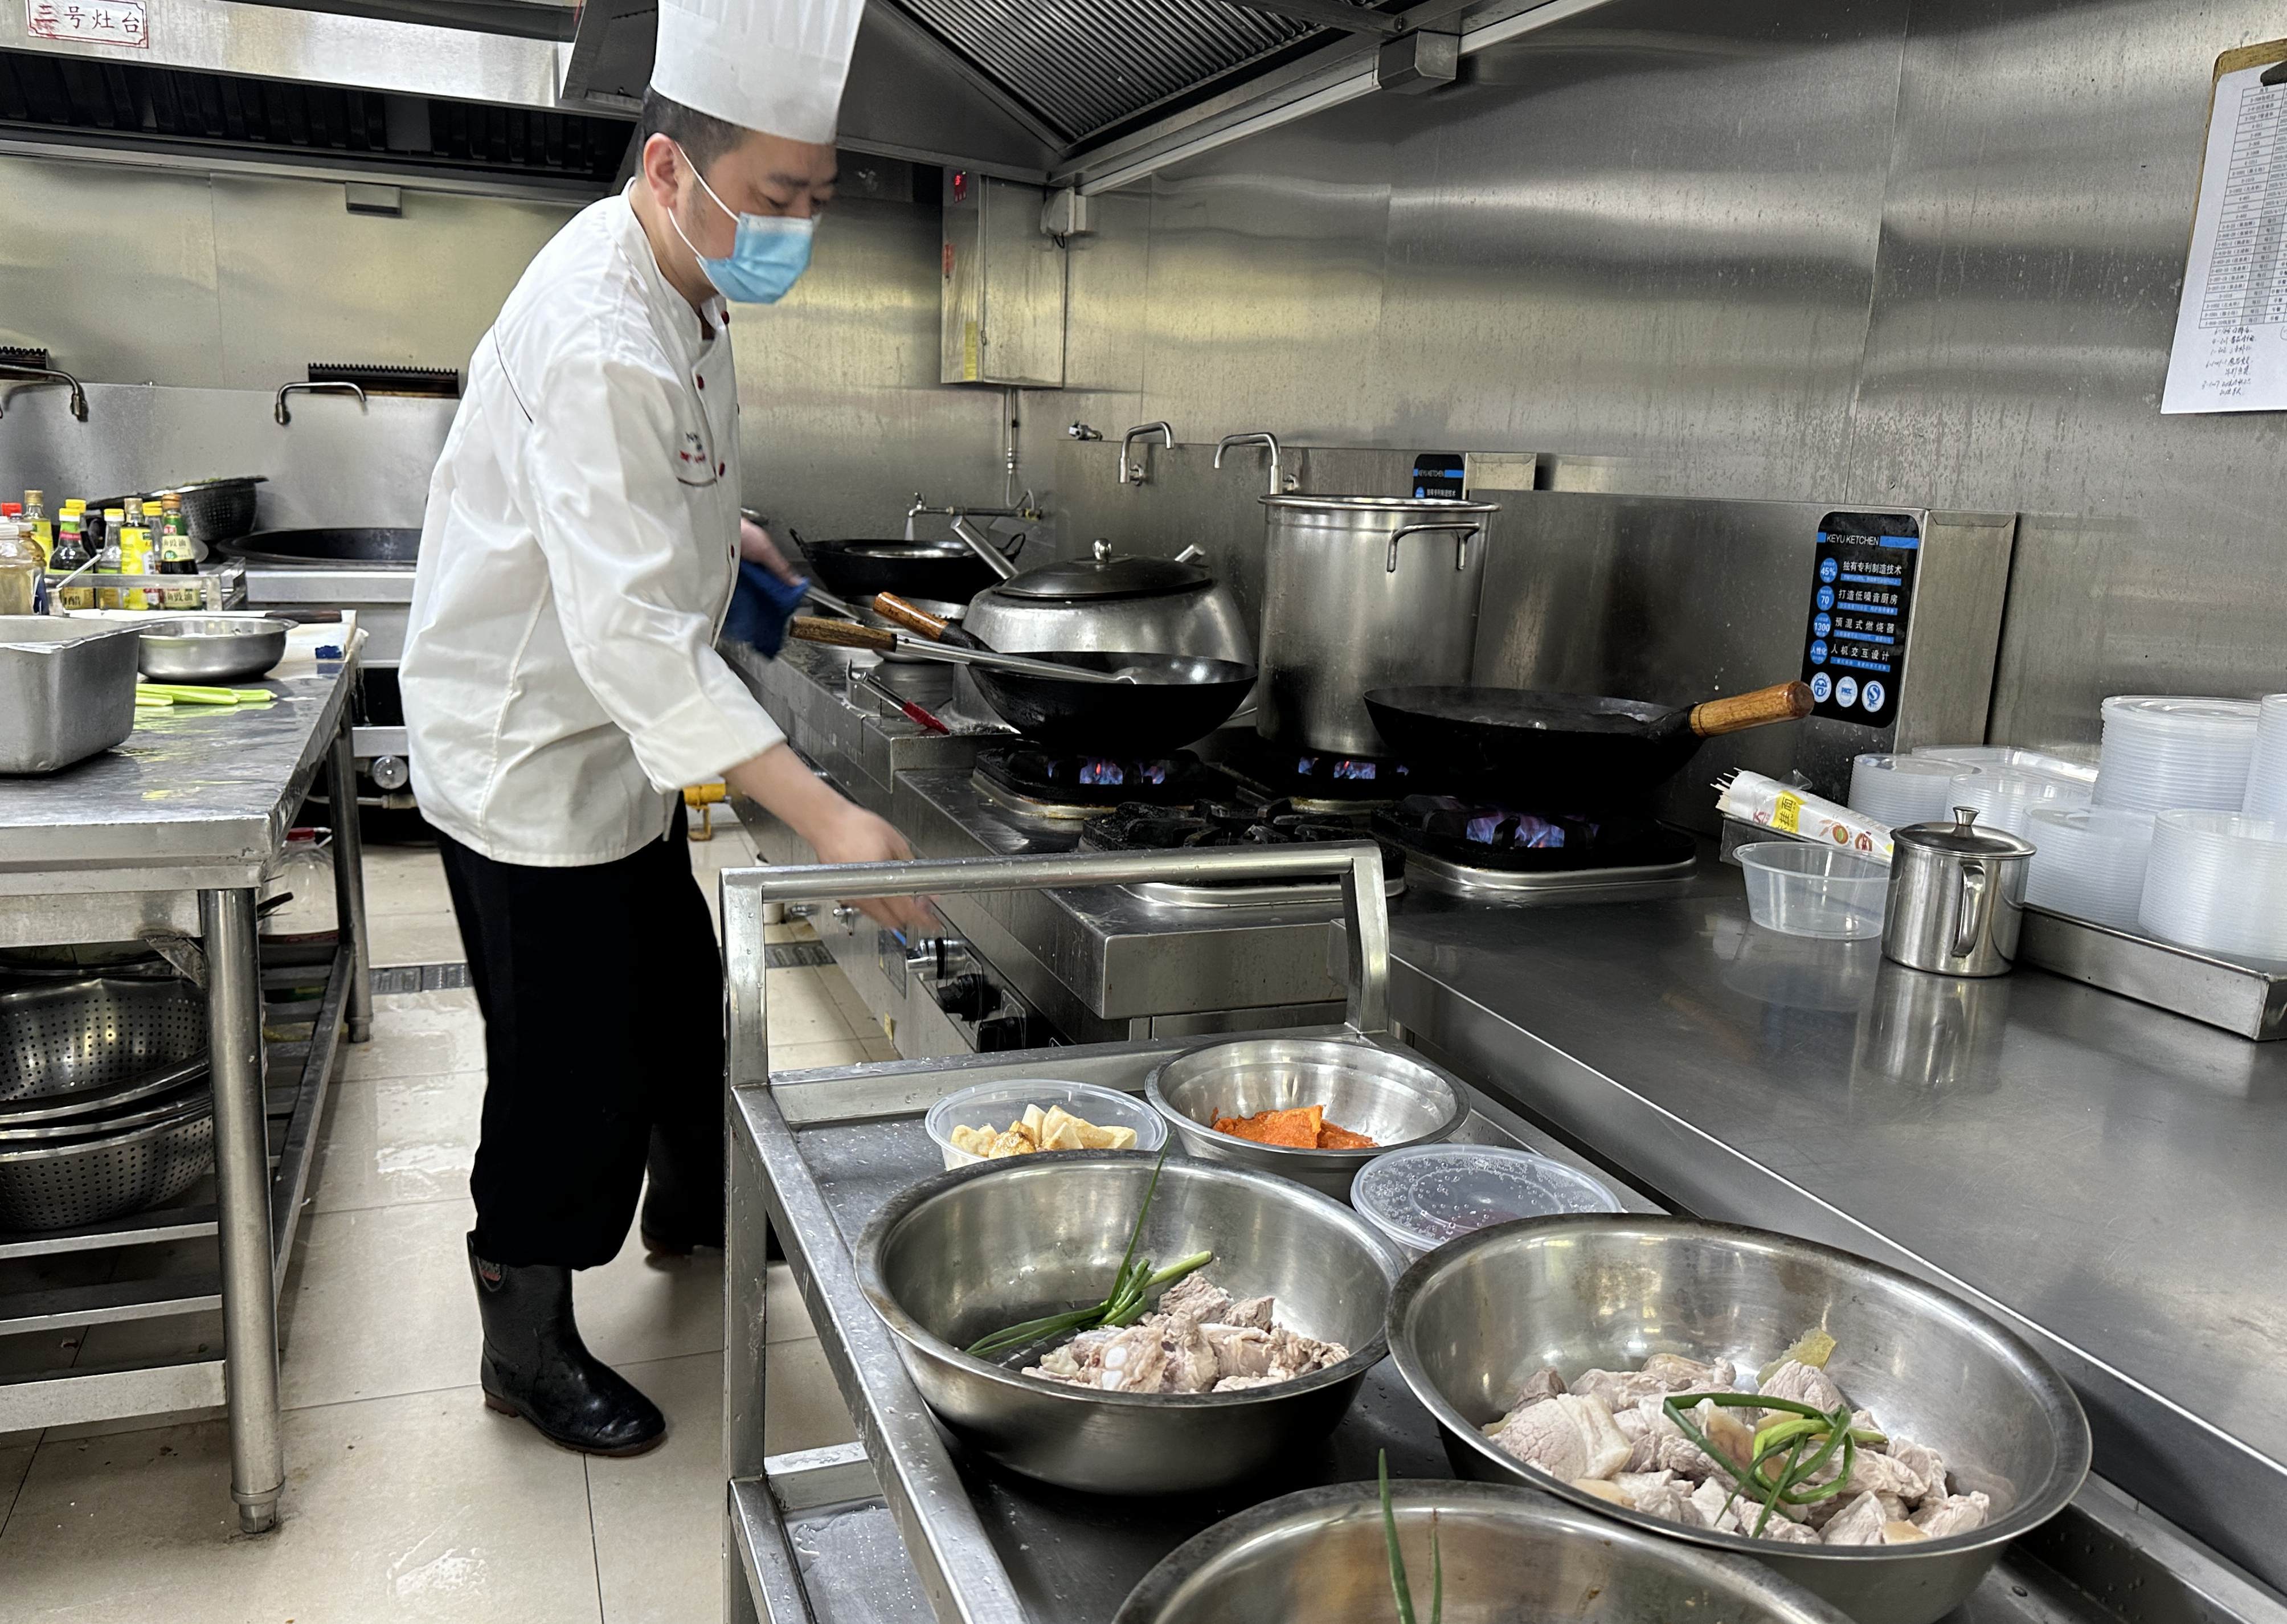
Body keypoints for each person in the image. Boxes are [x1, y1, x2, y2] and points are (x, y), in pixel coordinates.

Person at [398, 0, 924, 1457]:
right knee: (568, 1066)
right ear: (669, 166)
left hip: (616, 738)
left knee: (678, 995)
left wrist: (721, 536)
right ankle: (522, 1332)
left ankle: (694, 1206)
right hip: (529, 747)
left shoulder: (681, 273)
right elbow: (627, 633)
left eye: (817, 199)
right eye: (777, 195)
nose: (795, 226)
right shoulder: (597, 330)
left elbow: (648, 490)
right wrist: (826, 817)